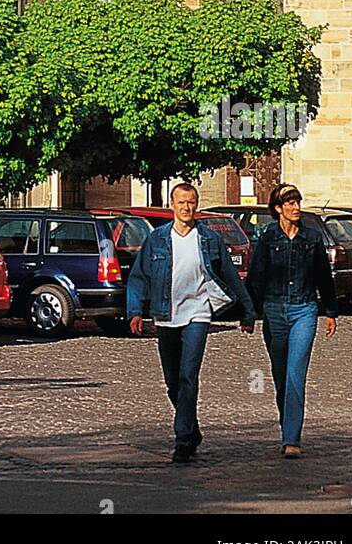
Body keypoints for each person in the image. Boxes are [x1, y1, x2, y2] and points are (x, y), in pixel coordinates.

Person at [127, 181, 256, 463]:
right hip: (165, 316)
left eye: (191, 202)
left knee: (188, 376)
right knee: (172, 382)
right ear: (172, 205)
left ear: (196, 205)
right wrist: (135, 310)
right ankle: (192, 428)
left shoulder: (209, 239)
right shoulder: (157, 239)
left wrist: (248, 312)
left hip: (198, 314)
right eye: (182, 202)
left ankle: (183, 439)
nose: (187, 208)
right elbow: (139, 277)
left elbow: (232, 278)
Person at [246, 183, 337, 458]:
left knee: (296, 373)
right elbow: (257, 275)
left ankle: (292, 439)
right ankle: (288, 422)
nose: (296, 207)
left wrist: (331, 311)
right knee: (281, 376)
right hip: (274, 310)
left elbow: (323, 275)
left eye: (298, 202)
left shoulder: (311, 238)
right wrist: (249, 313)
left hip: (304, 310)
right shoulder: (268, 237)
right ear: (278, 208)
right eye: (290, 203)